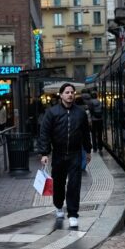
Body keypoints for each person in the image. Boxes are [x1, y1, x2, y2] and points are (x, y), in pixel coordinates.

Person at [36, 83, 92, 228]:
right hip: (58, 154)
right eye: (67, 92)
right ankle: (59, 205)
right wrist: (44, 153)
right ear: (61, 95)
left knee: (74, 184)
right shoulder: (52, 112)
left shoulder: (80, 113)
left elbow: (86, 133)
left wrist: (88, 150)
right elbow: (45, 133)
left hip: (75, 154)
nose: (70, 94)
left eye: (72, 92)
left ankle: (73, 214)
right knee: (59, 183)